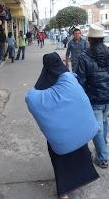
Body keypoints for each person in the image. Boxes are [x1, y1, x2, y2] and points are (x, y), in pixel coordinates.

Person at [34, 52, 99, 199]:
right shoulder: (69, 79)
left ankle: (63, 192)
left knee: (60, 160)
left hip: (58, 133)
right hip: (76, 128)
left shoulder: (42, 85)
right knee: (80, 154)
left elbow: (39, 105)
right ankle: (79, 182)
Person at [76, 24, 109, 169]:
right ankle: (102, 146)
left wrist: (80, 100)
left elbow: (81, 81)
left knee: (97, 127)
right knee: (102, 121)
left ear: (90, 39)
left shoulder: (84, 57)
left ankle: (102, 157)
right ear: (103, 38)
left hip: (94, 99)